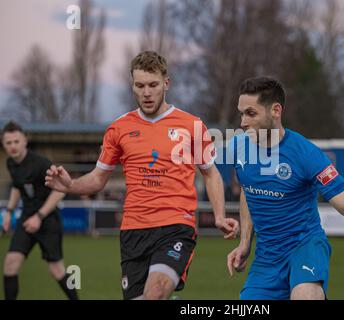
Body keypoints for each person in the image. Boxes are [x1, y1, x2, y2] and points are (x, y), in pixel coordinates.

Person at [45, 51, 239, 300]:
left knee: (155, 293)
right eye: (140, 86)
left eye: (153, 85)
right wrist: (70, 185)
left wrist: (220, 215)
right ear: (132, 86)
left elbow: (211, 174)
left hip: (175, 225)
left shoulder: (191, 125)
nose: (146, 93)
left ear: (166, 83)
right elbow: (97, 178)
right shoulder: (118, 129)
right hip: (133, 231)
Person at [226, 76, 344, 300]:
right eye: (241, 113)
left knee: (305, 296)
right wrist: (244, 242)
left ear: (276, 111)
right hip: (267, 257)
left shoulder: (306, 154)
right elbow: (248, 190)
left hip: (306, 246)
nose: (242, 122)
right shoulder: (238, 147)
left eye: (251, 113)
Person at [1, 121, 78, 300]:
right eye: (8, 142)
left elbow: (60, 191)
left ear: (25, 141)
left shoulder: (40, 163)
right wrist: (9, 211)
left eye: (16, 141)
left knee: (56, 270)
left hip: (48, 219)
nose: (13, 146)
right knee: (10, 264)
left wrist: (39, 216)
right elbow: (16, 187)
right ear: (4, 145)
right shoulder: (11, 164)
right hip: (26, 219)